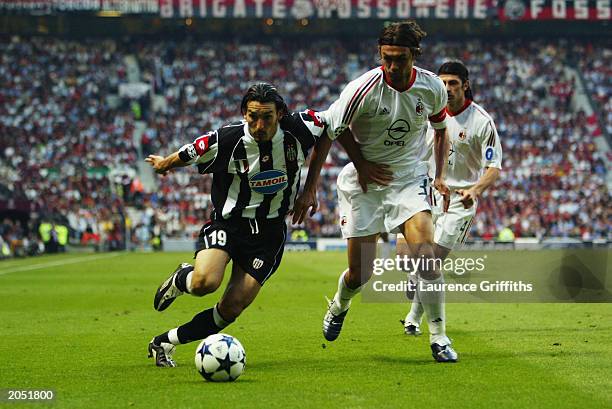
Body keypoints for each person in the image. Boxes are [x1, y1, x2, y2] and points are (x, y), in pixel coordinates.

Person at [293, 21, 457, 362]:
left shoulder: (431, 88)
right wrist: (312, 188)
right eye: (387, 58)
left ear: (414, 55)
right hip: (364, 185)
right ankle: (339, 305)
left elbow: (441, 130)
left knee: (426, 257)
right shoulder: (362, 88)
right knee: (359, 274)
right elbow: (329, 131)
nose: (393, 66)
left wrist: (439, 175)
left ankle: (439, 337)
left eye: (400, 59)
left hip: (408, 179)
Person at [145, 83, 328, 367]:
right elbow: (191, 151)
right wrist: (164, 164)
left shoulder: (301, 129)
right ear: (244, 113)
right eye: (253, 116)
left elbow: (331, 128)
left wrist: (311, 186)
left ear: (280, 114)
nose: (259, 124)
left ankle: (166, 341)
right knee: (206, 282)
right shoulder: (227, 140)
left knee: (230, 308)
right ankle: (184, 278)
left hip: (269, 234)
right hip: (228, 225)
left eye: (267, 117)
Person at [399, 61, 502, 336]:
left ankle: (413, 319)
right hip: (428, 192)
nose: (447, 88)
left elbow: (494, 167)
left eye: (453, 83)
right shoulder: (431, 113)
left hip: (460, 201)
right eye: (443, 83)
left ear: (465, 85)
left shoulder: (481, 121)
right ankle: (413, 291)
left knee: (430, 265)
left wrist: (475, 191)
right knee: (410, 262)